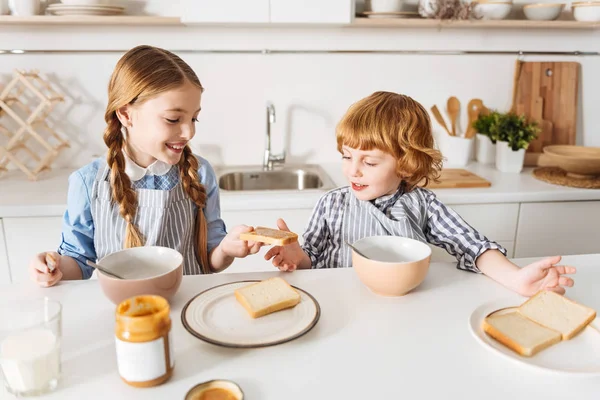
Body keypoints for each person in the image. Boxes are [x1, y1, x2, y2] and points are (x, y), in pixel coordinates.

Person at [265, 91, 575, 297]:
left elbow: (473, 246)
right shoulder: (331, 204)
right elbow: (311, 261)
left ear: (405, 163)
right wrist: (296, 257)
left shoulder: (421, 204)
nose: (352, 171)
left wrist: (516, 278)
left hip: (405, 312)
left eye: (369, 162)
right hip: (338, 308)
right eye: (347, 156)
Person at [30, 45, 262, 287]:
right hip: (123, 314)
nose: (189, 131)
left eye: (194, 118)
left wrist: (226, 249)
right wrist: (53, 266)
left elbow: (210, 259)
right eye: (173, 119)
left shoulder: (200, 173)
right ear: (126, 115)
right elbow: (78, 261)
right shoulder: (89, 183)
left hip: (188, 309)